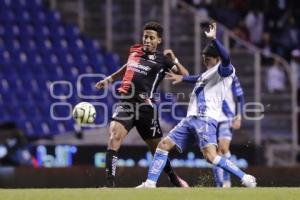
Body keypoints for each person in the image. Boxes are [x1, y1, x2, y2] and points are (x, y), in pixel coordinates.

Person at [136, 22, 257, 188]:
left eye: (208, 59)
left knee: (211, 156)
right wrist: (183, 78)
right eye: (204, 59)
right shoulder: (208, 74)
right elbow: (198, 78)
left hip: (205, 119)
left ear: (217, 59)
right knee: (163, 145)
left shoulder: (225, 71)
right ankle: (150, 183)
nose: (204, 61)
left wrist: (214, 40)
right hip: (190, 119)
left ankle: (245, 178)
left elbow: (227, 58)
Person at [95, 21, 189, 187]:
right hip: (126, 103)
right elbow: (128, 66)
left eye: (151, 37)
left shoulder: (163, 60)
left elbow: (185, 74)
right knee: (114, 137)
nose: (147, 40)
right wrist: (110, 78)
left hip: (146, 108)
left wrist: (174, 59)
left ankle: (174, 178)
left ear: (159, 40)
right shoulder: (134, 50)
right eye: (145, 36)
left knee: (157, 149)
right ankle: (109, 185)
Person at [212, 75, 244, 188]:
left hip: (226, 117)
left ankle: (226, 180)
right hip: (211, 118)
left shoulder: (231, 75)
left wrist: (239, 116)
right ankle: (218, 184)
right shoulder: (208, 75)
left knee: (224, 148)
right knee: (214, 153)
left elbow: (240, 96)